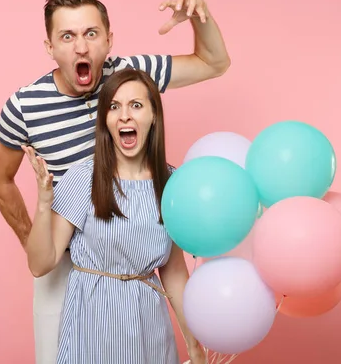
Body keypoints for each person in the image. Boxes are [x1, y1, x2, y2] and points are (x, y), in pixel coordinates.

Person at [0, 0, 230, 363]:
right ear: (50, 46)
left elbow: (214, 62)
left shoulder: (130, 76)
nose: (81, 48)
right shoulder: (24, 106)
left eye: (91, 34)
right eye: (67, 36)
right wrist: (38, 239)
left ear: (108, 39)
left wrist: (201, 18)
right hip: (65, 252)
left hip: (134, 252)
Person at [22, 68, 206, 364]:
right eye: (114, 106)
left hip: (149, 328)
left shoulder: (172, 183)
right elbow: (40, 263)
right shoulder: (84, 177)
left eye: (136, 105)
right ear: (105, 120)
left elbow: (173, 272)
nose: (124, 116)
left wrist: (193, 344)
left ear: (153, 115)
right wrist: (44, 203)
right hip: (92, 328)